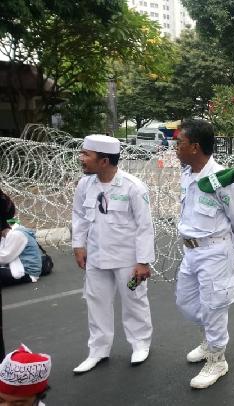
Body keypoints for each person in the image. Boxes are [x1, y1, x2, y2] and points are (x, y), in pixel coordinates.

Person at [174, 119, 234, 388]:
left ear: (195, 147)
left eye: (180, 142)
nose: (176, 147)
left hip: (215, 251)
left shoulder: (221, 179)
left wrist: (233, 250)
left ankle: (217, 360)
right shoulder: (187, 174)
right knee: (186, 302)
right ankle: (210, 339)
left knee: (214, 306)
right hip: (191, 251)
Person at [71, 135, 154, 374]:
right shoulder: (85, 185)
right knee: (96, 303)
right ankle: (98, 350)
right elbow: (79, 216)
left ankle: (140, 344)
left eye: (86, 154)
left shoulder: (133, 186)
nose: (81, 158)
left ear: (104, 161)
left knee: (134, 301)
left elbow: (145, 226)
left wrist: (143, 262)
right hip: (96, 256)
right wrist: (78, 245)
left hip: (127, 258)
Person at [0, 191, 45, 286]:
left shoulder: (16, 234)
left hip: (25, 272)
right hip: (16, 267)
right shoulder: (8, 234)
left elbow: (4, 258)